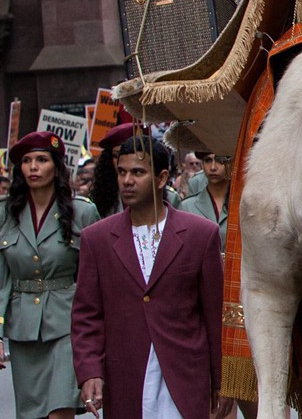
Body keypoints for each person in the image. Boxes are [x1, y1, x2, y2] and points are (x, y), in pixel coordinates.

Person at [71, 136, 222, 419]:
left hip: (186, 376)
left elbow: (214, 315)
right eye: (122, 172)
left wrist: (222, 380)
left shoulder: (201, 234)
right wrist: (90, 371)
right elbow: (86, 315)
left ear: (162, 177)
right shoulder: (97, 239)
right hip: (126, 378)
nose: (127, 181)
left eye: (138, 172)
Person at [0, 131, 99, 419]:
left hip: (67, 324)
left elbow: (95, 277)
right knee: (32, 414)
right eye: (27, 161)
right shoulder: (3, 213)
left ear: (56, 167)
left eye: (42, 160)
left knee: (59, 410)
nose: (33, 167)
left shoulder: (82, 212)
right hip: (23, 330)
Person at [177, 151, 231, 244]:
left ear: (231, 163)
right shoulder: (186, 206)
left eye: (220, 161)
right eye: (208, 160)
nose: (213, 167)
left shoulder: (242, 205)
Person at [87, 122, 137, 219]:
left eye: (130, 155)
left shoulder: (166, 197)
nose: (122, 162)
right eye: (116, 155)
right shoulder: (100, 198)